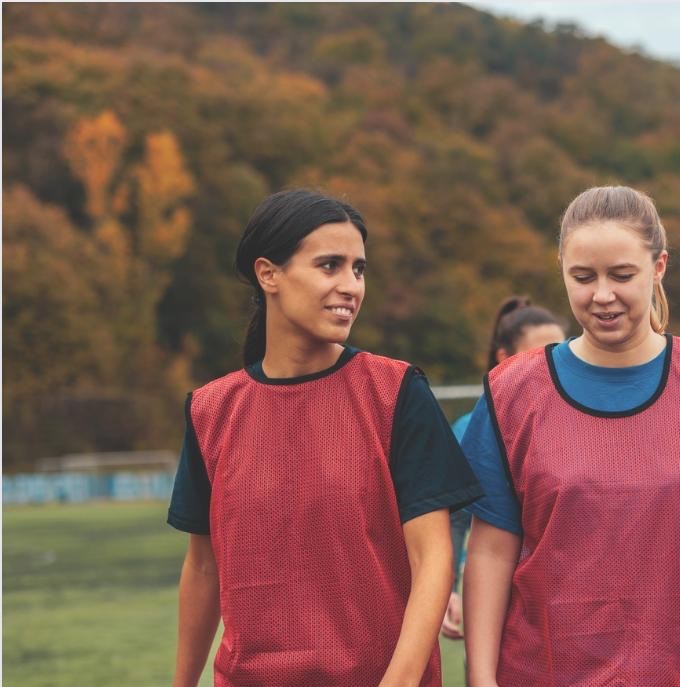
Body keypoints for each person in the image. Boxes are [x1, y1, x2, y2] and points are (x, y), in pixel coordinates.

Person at [460, 185, 680, 687]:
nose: (601, 295)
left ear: (658, 266)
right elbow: (490, 550)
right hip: (544, 672)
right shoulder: (513, 391)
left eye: (621, 275)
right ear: (561, 271)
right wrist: (481, 677)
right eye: (582, 277)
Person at [167, 189, 483, 686]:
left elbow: (433, 558)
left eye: (358, 269)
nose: (351, 286)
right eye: (329, 265)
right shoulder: (210, 411)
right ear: (268, 274)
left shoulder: (397, 393)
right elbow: (203, 570)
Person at [442, 296, 567, 642]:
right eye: (537, 353)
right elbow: (453, 518)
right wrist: (449, 588)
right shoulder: (474, 428)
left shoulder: (579, 419)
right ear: (504, 358)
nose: (550, 364)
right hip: (499, 598)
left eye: (558, 352)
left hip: (563, 598)